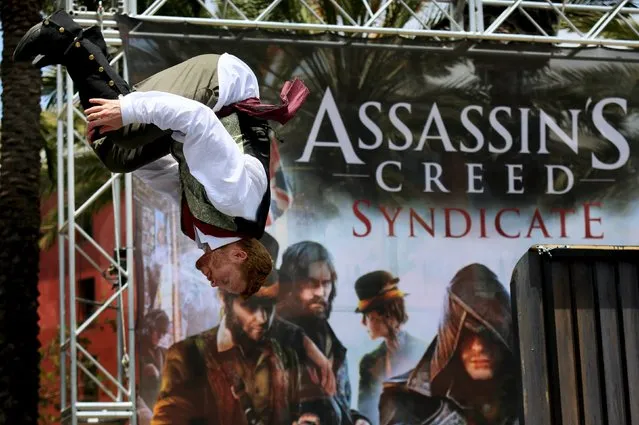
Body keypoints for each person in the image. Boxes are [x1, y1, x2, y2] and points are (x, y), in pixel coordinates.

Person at [13, 9, 310, 298]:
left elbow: (164, 172)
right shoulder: (233, 198)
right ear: (239, 254)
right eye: (225, 281)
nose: (213, 284)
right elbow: (199, 120)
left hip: (201, 117)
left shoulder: (203, 231)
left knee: (118, 154)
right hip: (223, 85)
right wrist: (127, 111)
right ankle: (65, 37)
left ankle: (85, 51)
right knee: (126, 132)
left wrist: (111, 139)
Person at [379, 264, 519, 425]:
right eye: (466, 335)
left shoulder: (530, 392)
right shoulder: (404, 400)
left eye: (488, 335)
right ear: (452, 339)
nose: (478, 347)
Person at [353, 270, 426, 425]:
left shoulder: (424, 354)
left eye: (367, 316)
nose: (363, 323)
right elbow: (365, 413)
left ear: (386, 315)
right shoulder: (368, 363)